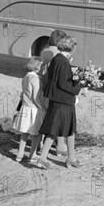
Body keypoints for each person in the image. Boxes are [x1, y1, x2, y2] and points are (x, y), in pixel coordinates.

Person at [37, 36, 83, 169]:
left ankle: (71, 157)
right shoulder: (63, 62)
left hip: (57, 99)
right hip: (63, 100)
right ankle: (43, 158)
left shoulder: (56, 59)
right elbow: (63, 84)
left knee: (66, 129)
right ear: (71, 48)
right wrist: (78, 89)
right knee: (57, 129)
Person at [12, 57, 47, 163]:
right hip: (34, 110)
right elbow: (36, 97)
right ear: (37, 67)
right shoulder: (35, 79)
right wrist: (43, 107)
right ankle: (32, 155)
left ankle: (20, 154)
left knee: (24, 132)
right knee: (36, 134)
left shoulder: (26, 76)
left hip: (25, 107)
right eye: (41, 65)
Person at [40, 29, 68, 157]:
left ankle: (40, 144)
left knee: (46, 116)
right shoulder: (58, 53)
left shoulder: (44, 51)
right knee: (58, 119)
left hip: (44, 85)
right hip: (55, 88)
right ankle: (60, 147)